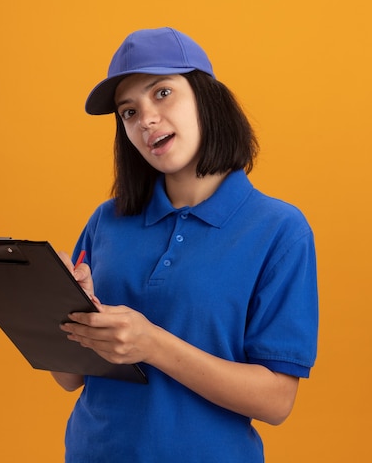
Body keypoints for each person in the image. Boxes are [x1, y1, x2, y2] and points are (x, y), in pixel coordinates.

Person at [51, 27, 318, 463]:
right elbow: (69, 377)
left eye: (162, 93)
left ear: (206, 99)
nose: (146, 120)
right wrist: (63, 309)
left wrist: (151, 343)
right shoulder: (107, 220)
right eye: (129, 112)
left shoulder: (279, 229)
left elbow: (276, 402)